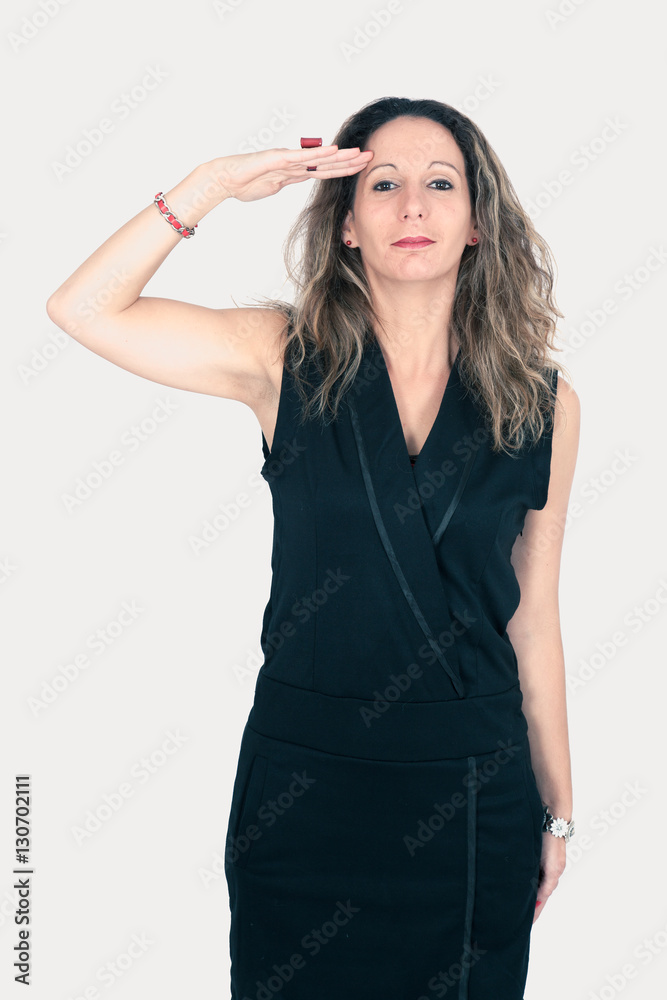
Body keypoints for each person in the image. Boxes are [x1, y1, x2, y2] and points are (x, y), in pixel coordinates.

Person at [46, 96, 580, 1000]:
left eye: (439, 183)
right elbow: (82, 308)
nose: (412, 206)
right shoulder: (280, 357)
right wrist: (212, 184)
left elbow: (533, 618)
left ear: (477, 223)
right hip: (305, 784)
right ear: (346, 226)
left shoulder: (543, 403)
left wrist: (556, 808)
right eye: (383, 184)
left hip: (469, 790)